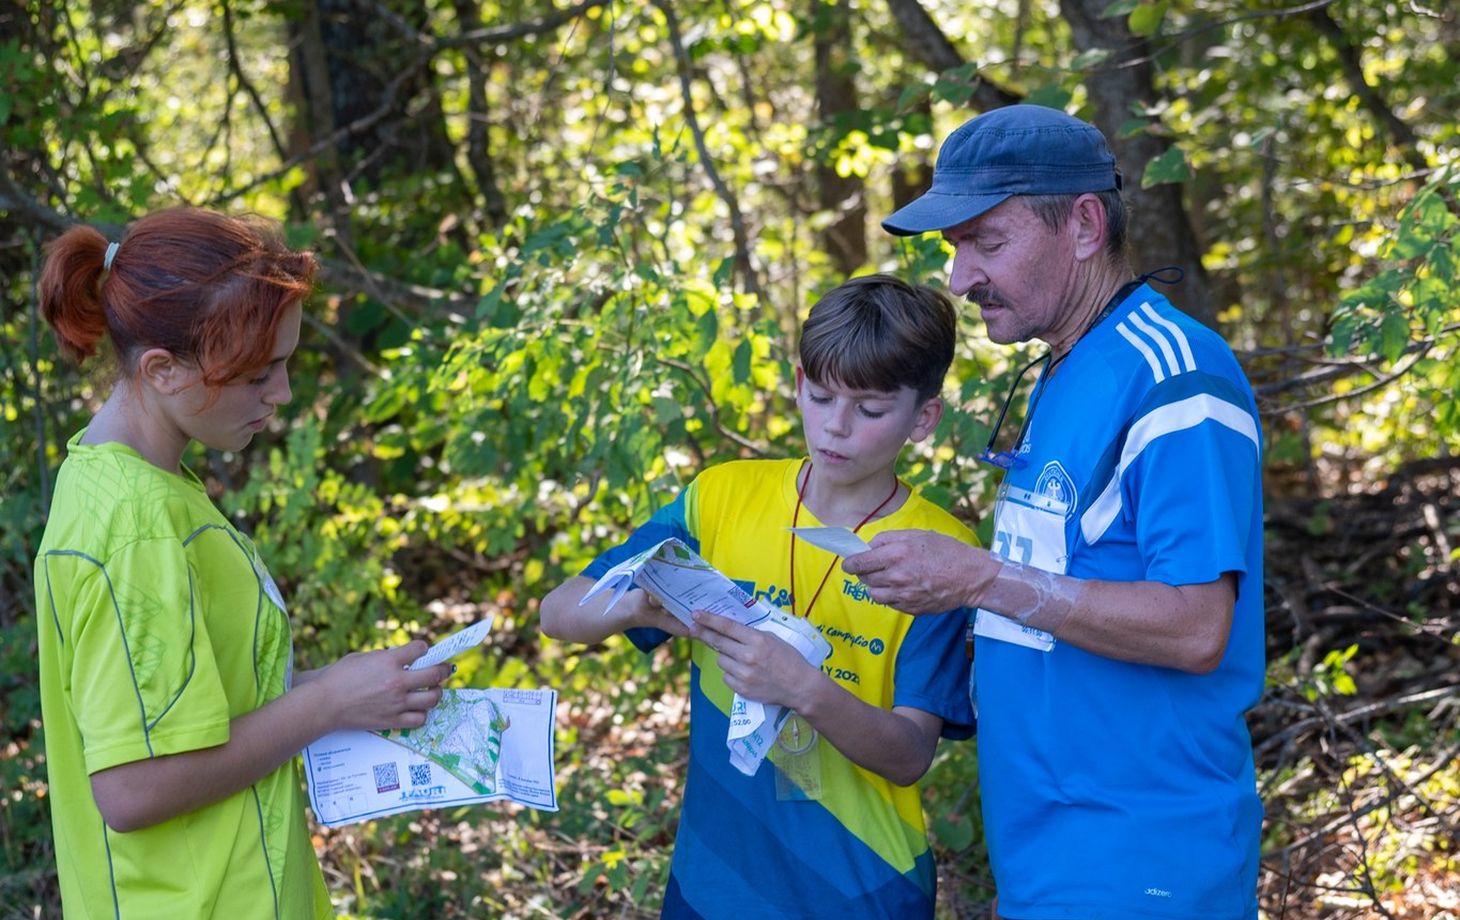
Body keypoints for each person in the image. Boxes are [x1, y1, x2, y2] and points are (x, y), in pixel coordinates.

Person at [841, 104, 1265, 919]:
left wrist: (981, 579)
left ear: (1082, 224)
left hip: (1143, 857)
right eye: (955, 249)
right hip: (1048, 853)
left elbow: (1196, 626)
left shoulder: (1176, 378)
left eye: (986, 242)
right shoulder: (1068, 365)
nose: (961, 279)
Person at [33, 208, 454, 919]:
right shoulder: (134, 523)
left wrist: (355, 689)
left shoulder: (147, 487)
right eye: (258, 374)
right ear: (163, 370)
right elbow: (132, 789)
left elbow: (200, 708)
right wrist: (325, 704)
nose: (282, 394)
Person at [539, 274, 976, 919]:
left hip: (863, 886)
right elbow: (557, 613)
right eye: (821, 397)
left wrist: (802, 687)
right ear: (797, 382)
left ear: (924, 417)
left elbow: (909, 754)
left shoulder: (942, 551)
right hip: (715, 878)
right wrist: (635, 606)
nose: (836, 427)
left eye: (871, 409)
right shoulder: (720, 499)